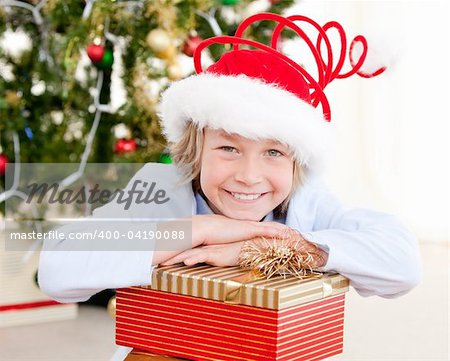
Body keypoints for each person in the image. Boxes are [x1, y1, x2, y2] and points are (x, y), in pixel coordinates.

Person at [38, 13, 421, 311]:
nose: (249, 176)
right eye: (228, 149)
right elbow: (57, 268)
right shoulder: (157, 185)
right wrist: (199, 229)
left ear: (295, 163)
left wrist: (266, 246)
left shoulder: (307, 201)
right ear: (196, 149)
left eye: (273, 153)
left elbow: (403, 264)